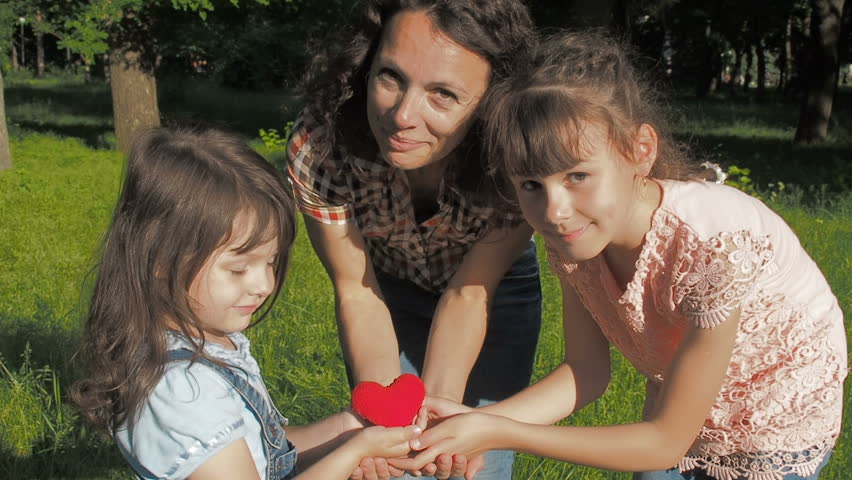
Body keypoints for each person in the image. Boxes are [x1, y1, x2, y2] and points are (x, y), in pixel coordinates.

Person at [399, 32, 848, 480]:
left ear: (641, 151)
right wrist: (477, 424)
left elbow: (663, 443)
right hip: (681, 399)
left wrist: (503, 433)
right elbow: (586, 372)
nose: (555, 211)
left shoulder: (712, 248)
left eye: (577, 175)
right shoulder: (577, 240)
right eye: (531, 185)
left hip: (773, 416)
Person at [70, 125, 423, 480]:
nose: (265, 284)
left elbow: (262, 451)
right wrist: (354, 454)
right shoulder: (183, 392)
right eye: (239, 269)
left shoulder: (210, 342)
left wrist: (347, 430)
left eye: (270, 262)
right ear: (161, 259)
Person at [286, 1, 543, 479]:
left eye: (442, 94)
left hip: (492, 297)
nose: (402, 115)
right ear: (366, 64)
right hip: (385, 291)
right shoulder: (321, 148)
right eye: (390, 77)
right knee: (387, 453)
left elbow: (470, 293)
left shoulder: (517, 160)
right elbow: (357, 290)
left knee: (469, 463)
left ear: (493, 102)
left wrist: (437, 425)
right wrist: (391, 428)